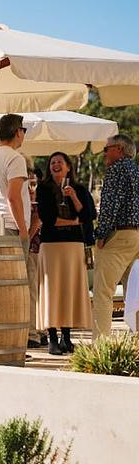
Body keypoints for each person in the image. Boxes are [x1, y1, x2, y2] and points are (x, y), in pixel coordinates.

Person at [36, 152, 94, 354]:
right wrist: (73, 221)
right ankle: (52, 338)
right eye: (52, 162)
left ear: (68, 166)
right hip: (51, 245)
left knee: (69, 290)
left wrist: (74, 197)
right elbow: (48, 219)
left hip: (73, 245)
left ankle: (66, 339)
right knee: (52, 291)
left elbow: (87, 215)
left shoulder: (79, 188)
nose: (55, 164)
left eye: (60, 162)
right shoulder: (43, 189)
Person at [93, 134, 139, 339]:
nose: (104, 154)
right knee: (135, 293)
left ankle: (100, 346)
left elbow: (110, 205)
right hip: (137, 236)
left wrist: (101, 234)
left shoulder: (116, 170)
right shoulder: (136, 170)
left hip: (119, 236)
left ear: (119, 149)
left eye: (106, 149)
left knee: (103, 293)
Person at [0, 114, 30, 256]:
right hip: (11, 227)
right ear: (18, 132)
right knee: (17, 270)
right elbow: (13, 197)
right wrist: (23, 229)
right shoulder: (16, 158)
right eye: (24, 130)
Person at [27, 165, 47, 348]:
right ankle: (41, 331)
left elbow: (37, 221)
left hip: (34, 248)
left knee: (33, 290)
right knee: (39, 291)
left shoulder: (35, 203)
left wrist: (25, 241)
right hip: (41, 248)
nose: (31, 188)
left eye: (33, 183)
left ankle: (33, 332)